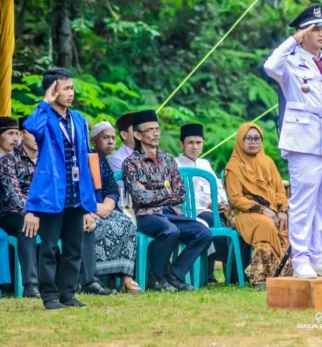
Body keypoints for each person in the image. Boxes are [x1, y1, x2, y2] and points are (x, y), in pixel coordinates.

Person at [263, 3, 322, 279]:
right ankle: (300, 258)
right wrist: (294, 39)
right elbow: (269, 65)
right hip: (303, 141)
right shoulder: (290, 63)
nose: (321, 34)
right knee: (303, 202)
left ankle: (320, 256)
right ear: (304, 33)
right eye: (315, 29)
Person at [24, 68, 97, 310]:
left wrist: (90, 201)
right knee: (49, 247)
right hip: (52, 194)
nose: (71, 93)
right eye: (65, 88)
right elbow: (31, 126)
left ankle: (68, 294)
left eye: (71, 88)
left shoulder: (77, 119)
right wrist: (45, 102)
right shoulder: (44, 117)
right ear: (52, 90)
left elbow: (86, 157)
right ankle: (50, 296)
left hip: (77, 193)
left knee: (74, 247)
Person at [122, 110, 212, 292]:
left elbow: (180, 193)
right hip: (146, 216)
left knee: (203, 233)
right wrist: (165, 190)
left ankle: (174, 275)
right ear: (138, 135)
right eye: (150, 130)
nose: (155, 133)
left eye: (157, 129)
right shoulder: (131, 163)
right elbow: (140, 197)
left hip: (170, 213)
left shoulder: (168, 160)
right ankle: (157, 278)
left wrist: (154, 192)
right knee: (170, 231)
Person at [175, 123, 250, 284]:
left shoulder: (205, 164)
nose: (195, 147)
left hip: (216, 210)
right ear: (182, 144)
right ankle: (225, 272)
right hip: (193, 212)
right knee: (212, 220)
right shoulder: (175, 165)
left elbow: (217, 186)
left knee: (240, 222)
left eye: (198, 142)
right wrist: (210, 205)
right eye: (190, 143)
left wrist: (222, 202)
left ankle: (236, 272)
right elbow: (183, 196)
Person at [225, 123, 291, 287]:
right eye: (248, 138)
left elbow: (280, 191)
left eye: (257, 138)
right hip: (243, 214)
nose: (253, 142)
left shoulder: (268, 162)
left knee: (290, 222)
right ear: (241, 140)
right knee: (265, 224)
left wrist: (282, 211)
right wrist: (262, 210)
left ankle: (287, 271)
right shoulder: (233, 166)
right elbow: (236, 199)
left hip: (273, 211)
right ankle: (262, 276)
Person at [79, 122, 140, 294]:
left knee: (126, 223)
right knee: (98, 227)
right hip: (84, 209)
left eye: (113, 138)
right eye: (106, 138)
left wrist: (106, 206)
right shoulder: (72, 160)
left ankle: (126, 278)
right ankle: (93, 278)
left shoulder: (98, 159)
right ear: (93, 140)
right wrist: (92, 208)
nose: (111, 142)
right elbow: (72, 191)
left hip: (104, 208)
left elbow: (112, 189)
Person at [0, 117, 40, 297]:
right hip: (10, 213)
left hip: (36, 211)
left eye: (17, 133)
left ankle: (72, 281)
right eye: (10, 133)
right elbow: (13, 196)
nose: (15, 138)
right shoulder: (9, 160)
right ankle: (30, 284)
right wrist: (32, 212)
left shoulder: (43, 159)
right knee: (27, 226)